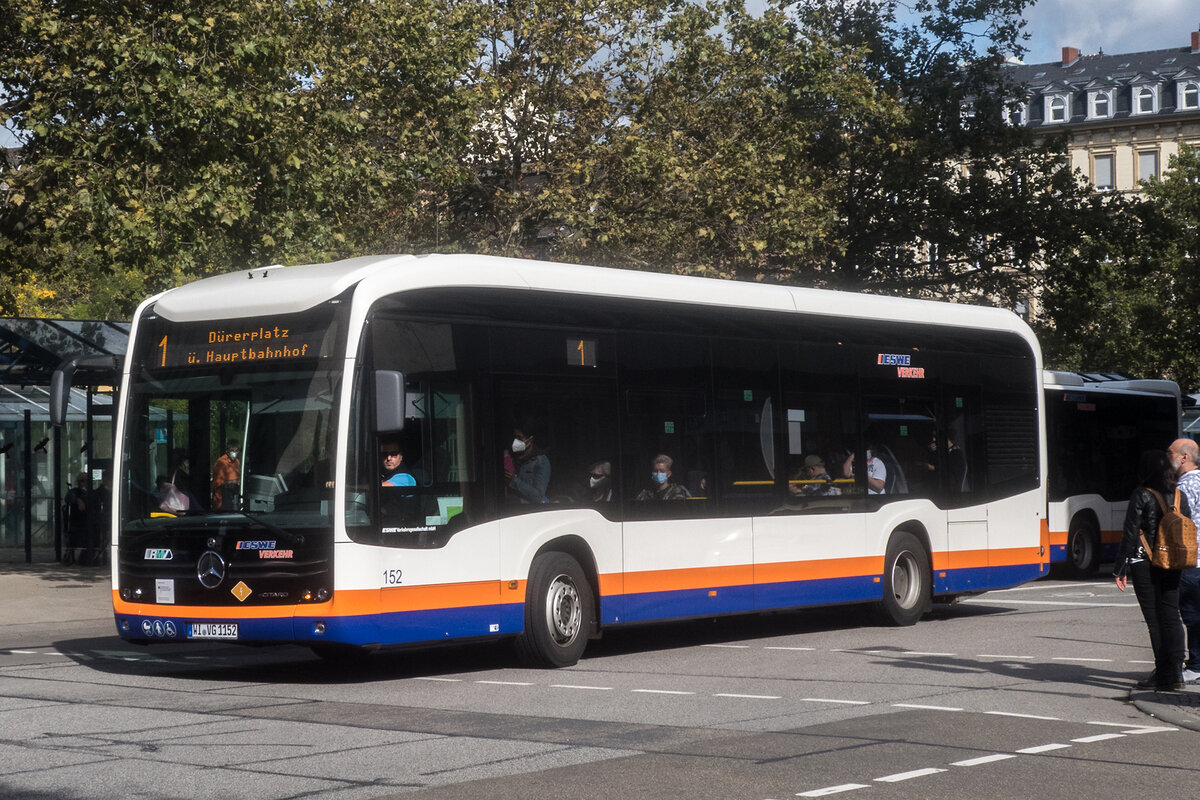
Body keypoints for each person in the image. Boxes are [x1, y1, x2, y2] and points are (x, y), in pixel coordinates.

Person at [1114, 449, 1190, 691]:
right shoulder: (1179, 495)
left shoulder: (1142, 494)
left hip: (1144, 562)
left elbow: (1130, 533)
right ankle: (1177, 672)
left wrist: (1120, 568)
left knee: (1154, 620)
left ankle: (1163, 672)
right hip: (1174, 562)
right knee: (1171, 616)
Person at [1169, 438, 1200, 683]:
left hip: (1190, 561)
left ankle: (1194, 665)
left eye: (1170, 453)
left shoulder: (1182, 488)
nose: (1167, 458)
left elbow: (1177, 525)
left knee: (1188, 615)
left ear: (1184, 457)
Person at [505, 424, 550, 504]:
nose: (516, 441)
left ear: (530, 440)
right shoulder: (510, 457)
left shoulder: (540, 461)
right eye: (515, 437)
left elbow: (538, 496)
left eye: (520, 438)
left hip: (527, 511)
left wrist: (513, 481)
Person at [63, 472, 90, 565]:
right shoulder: (74, 492)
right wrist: (78, 500)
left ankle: (86, 556)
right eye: (82, 481)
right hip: (76, 522)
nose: (84, 483)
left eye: (86, 481)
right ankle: (70, 555)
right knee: (73, 537)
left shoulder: (91, 493)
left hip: (88, 521)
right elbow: (68, 498)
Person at [212, 440, 241, 511]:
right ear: (227, 451)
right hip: (222, 501)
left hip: (235, 498)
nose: (234, 453)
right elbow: (217, 483)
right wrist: (232, 482)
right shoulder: (221, 462)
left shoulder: (237, 462)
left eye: (236, 450)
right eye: (232, 451)